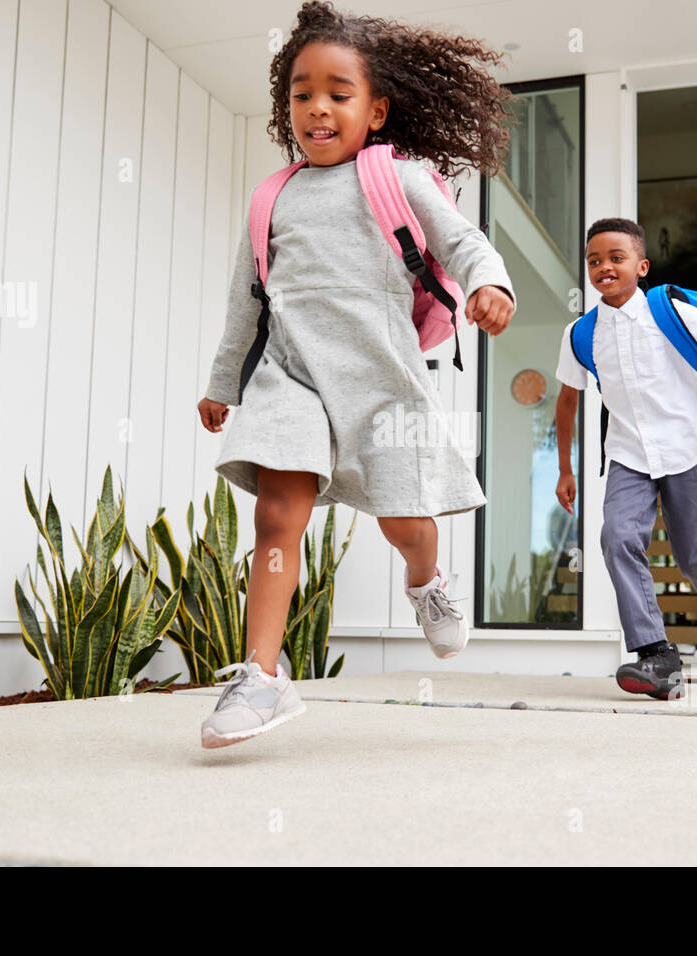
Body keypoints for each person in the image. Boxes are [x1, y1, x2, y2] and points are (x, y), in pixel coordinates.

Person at [195, 1, 516, 747]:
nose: (317, 107)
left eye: (339, 93)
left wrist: (487, 284)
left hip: (381, 382)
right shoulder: (271, 197)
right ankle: (263, 677)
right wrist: (223, 383)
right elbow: (248, 303)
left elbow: (465, 244)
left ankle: (427, 584)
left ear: (376, 110)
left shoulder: (399, 177)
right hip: (292, 376)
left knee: (407, 526)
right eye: (302, 93)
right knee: (277, 512)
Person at [553, 219, 697, 698]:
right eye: (594, 260)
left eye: (616, 257)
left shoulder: (669, 307)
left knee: (695, 555)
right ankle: (656, 655)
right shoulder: (580, 333)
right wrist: (566, 469)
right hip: (628, 454)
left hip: (686, 447)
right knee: (616, 536)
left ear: (641, 265)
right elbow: (567, 402)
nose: (604, 266)